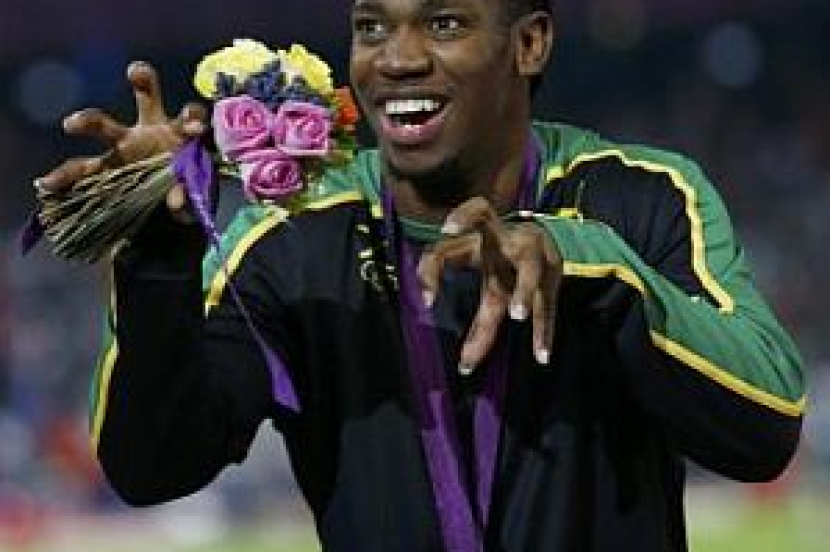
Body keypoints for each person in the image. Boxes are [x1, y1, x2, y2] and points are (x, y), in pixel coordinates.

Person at [36, 0, 805, 550]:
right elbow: (151, 467)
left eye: (444, 23)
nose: (397, 59)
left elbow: (766, 429)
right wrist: (157, 262)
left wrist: (594, 268)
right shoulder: (290, 238)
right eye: (372, 26)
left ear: (529, 42)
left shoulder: (642, 196)